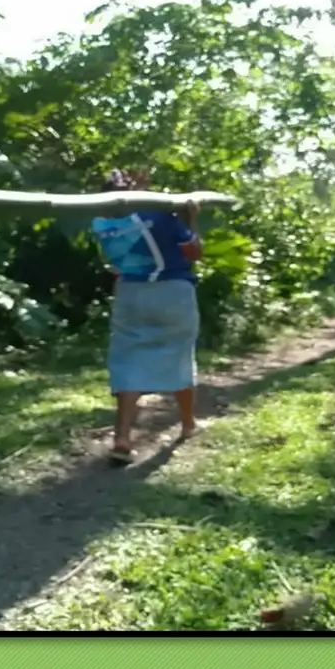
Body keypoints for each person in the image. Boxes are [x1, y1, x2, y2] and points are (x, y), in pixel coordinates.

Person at [90, 169, 206, 466]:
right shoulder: (159, 217)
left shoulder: (101, 223)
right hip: (172, 292)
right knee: (179, 353)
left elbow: (120, 259)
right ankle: (188, 423)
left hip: (130, 293)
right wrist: (190, 219)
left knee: (128, 359)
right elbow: (193, 252)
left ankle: (122, 436)